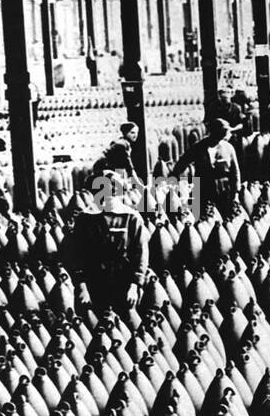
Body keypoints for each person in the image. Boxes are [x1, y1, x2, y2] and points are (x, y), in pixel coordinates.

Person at [64, 173, 150, 315]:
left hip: (124, 285)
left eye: (113, 192)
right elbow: (76, 256)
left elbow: (141, 255)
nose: (108, 197)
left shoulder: (131, 218)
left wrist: (135, 286)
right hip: (94, 284)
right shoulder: (85, 219)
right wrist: (82, 287)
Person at [171, 118, 242, 219]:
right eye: (223, 132)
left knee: (226, 220)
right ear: (214, 132)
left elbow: (235, 173)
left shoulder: (228, 148)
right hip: (204, 190)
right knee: (204, 220)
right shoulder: (199, 147)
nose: (225, 134)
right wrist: (178, 184)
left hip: (224, 190)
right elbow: (182, 163)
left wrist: (236, 193)